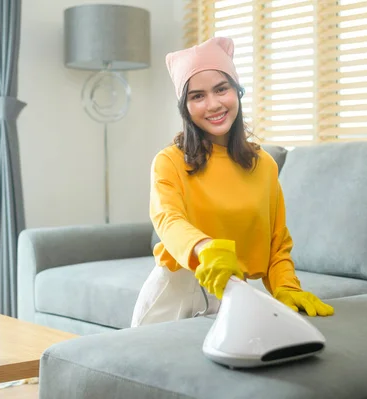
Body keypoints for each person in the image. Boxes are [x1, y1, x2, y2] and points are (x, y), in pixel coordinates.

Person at [131, 36, 334, 327]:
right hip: (172, 292)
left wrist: (287, 287)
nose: (213, 104)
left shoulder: (263, 165)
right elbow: (167, 219)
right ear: (185, 107)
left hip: (232, 293)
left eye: (221, 89)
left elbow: (277, 244)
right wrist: (205, 248)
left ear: (237, 91)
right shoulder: (170, 161)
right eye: (197, 96)